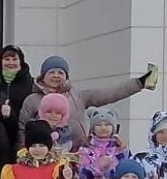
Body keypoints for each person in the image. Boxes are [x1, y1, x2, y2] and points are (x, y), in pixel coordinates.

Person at [18, 55, 157, 148]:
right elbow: (22, 128)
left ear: (66, 76)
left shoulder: (77, 95)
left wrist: (139, 83)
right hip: (44, 158)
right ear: (43, 75)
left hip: (78, 154)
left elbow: (110, 93)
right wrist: (23, 152)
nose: (56, 76)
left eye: (61, 73)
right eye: (51, 72)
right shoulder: (32, 100)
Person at [0, 45, 34, 148]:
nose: (11, 62)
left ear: (21, 61)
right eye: (7, 59)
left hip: (22, 135)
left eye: (14, 59)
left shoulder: (29, 82)